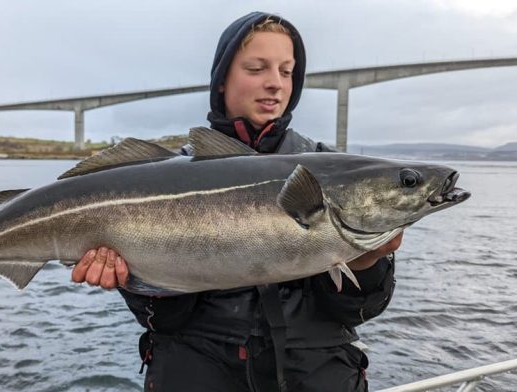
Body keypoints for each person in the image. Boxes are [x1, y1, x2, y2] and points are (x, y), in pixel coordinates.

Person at [71, 12, 402, 392]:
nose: (275, 84)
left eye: (287, 71)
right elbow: (164, 320)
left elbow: (358, 311)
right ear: (222, 79)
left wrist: (367, 262)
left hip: (314, 378)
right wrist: (136, 282)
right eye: (257, 68)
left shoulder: (337, 173)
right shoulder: (165, 175)